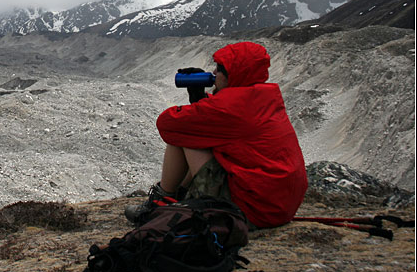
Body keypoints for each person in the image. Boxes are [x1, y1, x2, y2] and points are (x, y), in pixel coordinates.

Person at [125, 41, 307, 229]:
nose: (213, 73)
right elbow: (226, 122)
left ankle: (159, 203)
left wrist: (197, 102)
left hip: (251, 211)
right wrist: (201, 101)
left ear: (233, 74)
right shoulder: (265, 96)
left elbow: (168, 123)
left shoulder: (229, 107)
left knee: (186, 133)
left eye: (219, 69)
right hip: (279, 206)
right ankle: (176, 200)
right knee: (197, 131)